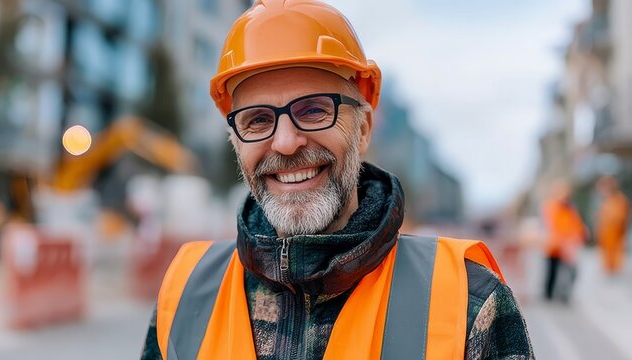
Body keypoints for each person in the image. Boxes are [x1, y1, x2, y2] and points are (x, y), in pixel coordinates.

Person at [141, 1, 533, 358]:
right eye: (258, 120)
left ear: (363, 128)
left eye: (313, 110)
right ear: (236, 142)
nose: (286, 142)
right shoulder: (185, 291)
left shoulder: (468, 301)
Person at [541, 180, 587, 302]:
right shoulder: (551, 206)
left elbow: (577, 225)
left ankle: (563, 294)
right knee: (551, 270)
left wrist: (580, 235)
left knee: (566, 272)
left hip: (566, 248)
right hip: (554, 246)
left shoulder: (570, 209)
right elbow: (550, 225)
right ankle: (548, 294)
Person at [595, 175, 629, 275]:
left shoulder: (619, 200)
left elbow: (620, 219)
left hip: (614, 240)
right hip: (606, 241)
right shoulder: (606, 201)